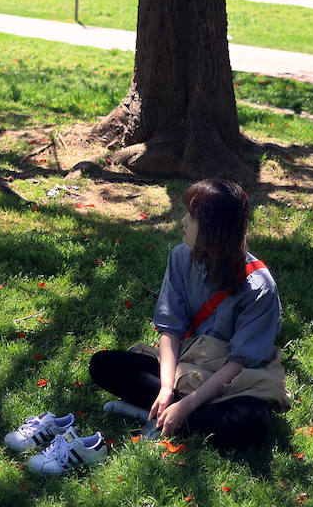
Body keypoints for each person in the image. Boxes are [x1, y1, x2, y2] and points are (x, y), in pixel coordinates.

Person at [89, 179, 290, 450]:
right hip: (186, 365)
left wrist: (187, 404)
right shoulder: (180, 258)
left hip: (232, 379)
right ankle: (169, 411)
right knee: (103, 364)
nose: (183, 222)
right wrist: (166, 389)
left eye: (192, 217)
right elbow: (170, 330)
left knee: (251, 423)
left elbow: (238, 364)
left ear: (214, 228)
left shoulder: (259, 286)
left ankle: (158, 413)